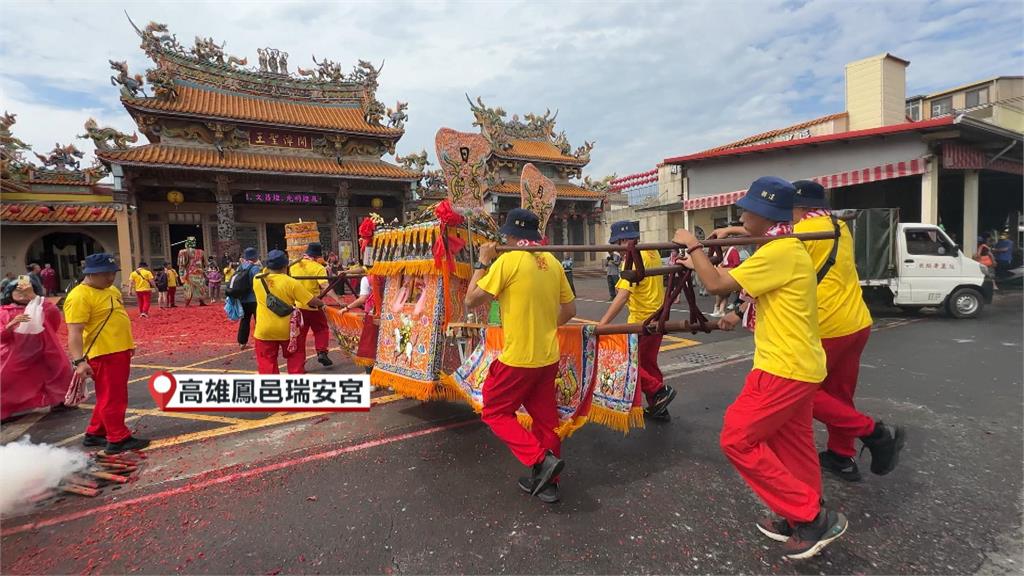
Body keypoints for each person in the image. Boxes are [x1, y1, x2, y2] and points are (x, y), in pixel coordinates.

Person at [674, 177, 846, 560]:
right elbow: (743, 281)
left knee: (737, 438)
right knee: (795, 444)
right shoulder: (785, 246)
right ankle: (799, 513)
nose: (742, 214)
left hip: (782, 367)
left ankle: (811, 516)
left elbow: (717, 283)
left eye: (747, 210)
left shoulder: (780, 250)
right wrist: (702, 261)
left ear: (765, 215)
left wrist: (694, 244)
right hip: (802, 364)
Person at [464, 208, 576, 504]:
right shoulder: (552, 262)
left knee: (494, 411)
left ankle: (540, 460)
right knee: (545, 423)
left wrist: (482, 262)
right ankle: (549, 484)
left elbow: (470, 299)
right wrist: (545, 326)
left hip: (517, 360)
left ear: (509, 236)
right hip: (547, 356)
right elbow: (570, 311)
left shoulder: (508, 261)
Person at [64, 253, 149, 454]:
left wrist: (128, 343)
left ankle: (96, 433)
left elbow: (115, 319)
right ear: (89, 274)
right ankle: (118, 438)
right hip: (103, 353)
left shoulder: (110, 290)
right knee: (113, 397)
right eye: (104, 274)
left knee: (109, 395)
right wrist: (79, 361)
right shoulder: (79, 296)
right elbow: (74, 333)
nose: (110, 278)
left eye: (113, 273)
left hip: (118, 350)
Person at [600, 220, 677, 422]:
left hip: (641, 321)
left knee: (627, 363)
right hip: (657, 317)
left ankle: (659, 391)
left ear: (624, 240)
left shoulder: (633, 257)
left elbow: (623, 295)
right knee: (649, 365)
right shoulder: (650, 252)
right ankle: (659, 407)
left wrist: (603, 325)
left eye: (617, 244)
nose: (617, 249)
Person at [1, 275, 74, 421]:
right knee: (6, 379)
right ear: (10, 293)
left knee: (60, 371)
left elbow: (53, 316)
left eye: (26, 291)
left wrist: (34, 298)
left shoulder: (39, 306)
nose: (22, 295)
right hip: (15, 354)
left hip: (44, 349)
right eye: (18, 291)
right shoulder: (4, 311)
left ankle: (60, 400)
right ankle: (5, 409)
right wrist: (9, 326)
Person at [253, 249, 325, 374]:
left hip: (264, 330)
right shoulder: (291, 283)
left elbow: (264, 271)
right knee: (295, 356)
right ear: (285, 265)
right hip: (287, 330)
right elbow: (310, 300)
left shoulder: (258, 279)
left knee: (266, 361)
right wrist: (322, 304)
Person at [289, 242, 335, 367]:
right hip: (314, 305)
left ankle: (298, 365)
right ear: (317, 256)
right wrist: (338, 300)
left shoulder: (293, 266)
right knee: (321, 329)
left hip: (298, 306)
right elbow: (325, 286)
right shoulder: (318, 267)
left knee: (300, 336)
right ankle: (321, 351)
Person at [235, 248, 262, 350]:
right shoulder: (255, 268)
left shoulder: (240, 268)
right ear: (255, 257)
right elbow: (259, 283)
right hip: (254, 298)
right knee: (258, 320)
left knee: (244, 320)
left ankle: (242, 342)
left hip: (243, 299)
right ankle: (260, 341)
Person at [177, 237, 209, 307]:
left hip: (189, 273)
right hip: (199, 273)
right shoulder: (201, 252)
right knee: (200, 288)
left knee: (189, 289)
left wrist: (181, 275)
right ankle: (201, 302)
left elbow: (181, 265)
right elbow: (206, 264)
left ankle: (187, 303)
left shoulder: (183, 252)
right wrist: (206, 272)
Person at [711, 243, 742, 316]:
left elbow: (736, 263)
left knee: (721, 292)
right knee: (725, 294)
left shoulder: (733, 251)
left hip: (728, 274)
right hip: (726, 274)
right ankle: (721, 310)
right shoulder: (727, 251)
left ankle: (717, 307)